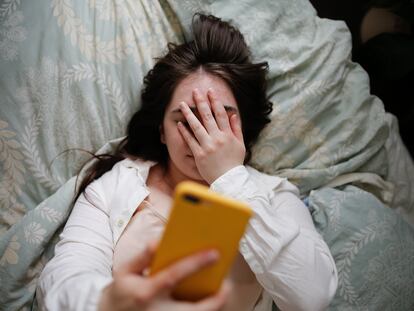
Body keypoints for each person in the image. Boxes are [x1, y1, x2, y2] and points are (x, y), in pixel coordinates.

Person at [37, 13, 338, 311]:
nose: (203, 135)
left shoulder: (276, 195)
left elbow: (312, 297)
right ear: (162, 131)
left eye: (220, 119)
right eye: (186, 119)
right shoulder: (115, 187)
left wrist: (229, 177)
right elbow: (62, 281)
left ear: (243, 132)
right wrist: (108, 300)